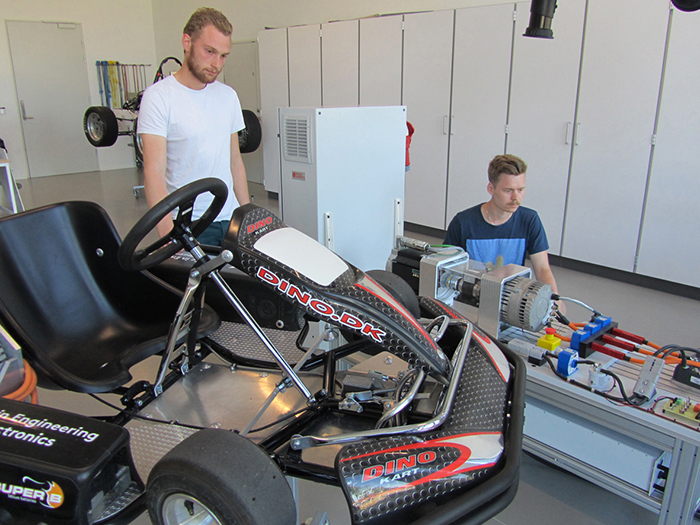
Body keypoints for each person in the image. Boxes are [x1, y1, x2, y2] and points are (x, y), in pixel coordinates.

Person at [138, 7, 250, 246]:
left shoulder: (228, 96)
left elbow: (234, 161)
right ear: (187, 42)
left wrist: (248, 214)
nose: (216, 64)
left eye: (223, 55)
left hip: (230, 220)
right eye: (209, 51)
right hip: (189, 224)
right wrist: (168, 236)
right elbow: (154, 173)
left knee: (237, 284)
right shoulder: (159, 97)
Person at [444, 154, 561, 298]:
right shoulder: (463, 222)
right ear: (491, 188)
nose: (515, 198)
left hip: (511, 301)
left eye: (520, 190)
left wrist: (555, 301)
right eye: (508, 190)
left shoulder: (530, 220)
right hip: (471, 299)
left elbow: (543, 269)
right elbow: (446, 270)